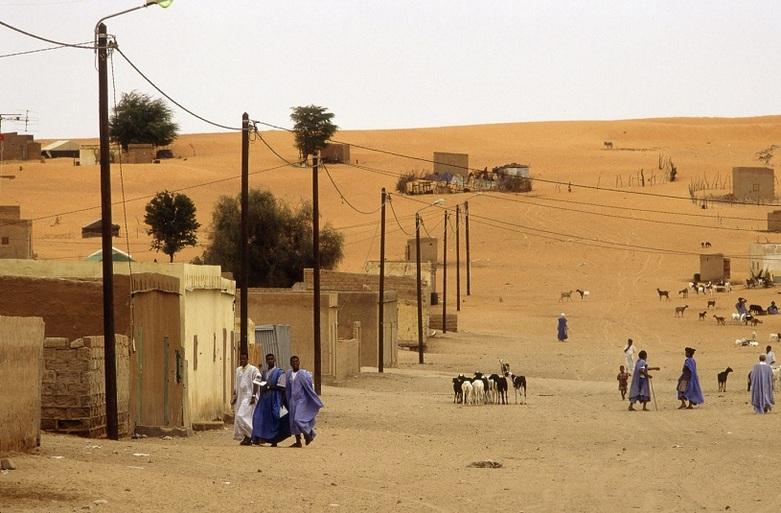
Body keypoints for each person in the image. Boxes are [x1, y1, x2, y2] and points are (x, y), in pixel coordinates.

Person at [251, 353, 291, 447]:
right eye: (268, 359)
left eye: (271, 359)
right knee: (258, 416)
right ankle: (258, 438)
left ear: (274, 360)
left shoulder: (280, 372)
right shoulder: (264, 372)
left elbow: (282, 387)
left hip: (275, 398)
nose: (270, 361)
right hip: (264, 398)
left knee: (274, 419)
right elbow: (259, 383)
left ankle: (274, 440)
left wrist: (281, 400)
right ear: (266, 361)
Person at [285, 355, 323, 448]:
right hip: (292, 401)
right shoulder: (289, 374)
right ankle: (298, 441)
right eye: (293, 362)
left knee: (298, 419)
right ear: (290, 363)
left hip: (301, 400)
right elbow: (288, 389)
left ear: (299, 362)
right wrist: (287, 400)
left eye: (296, 361)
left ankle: (308, 434)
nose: (295, 363)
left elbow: (309, 387)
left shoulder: (303, 374)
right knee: (292, 422)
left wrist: (312, 398)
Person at [232, 353, 260, 446]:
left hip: (249, 396)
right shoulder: (238, 370)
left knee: (241, 416)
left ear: (248, 359)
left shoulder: (253, 369)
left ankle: (253, 434)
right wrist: (234, 396)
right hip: (240, 396)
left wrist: (253, 395)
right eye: (241, 359)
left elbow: (257, 381)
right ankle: (247, 437)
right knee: (240, 418)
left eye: (244, 359)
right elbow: (236, 384)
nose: (242, 360)